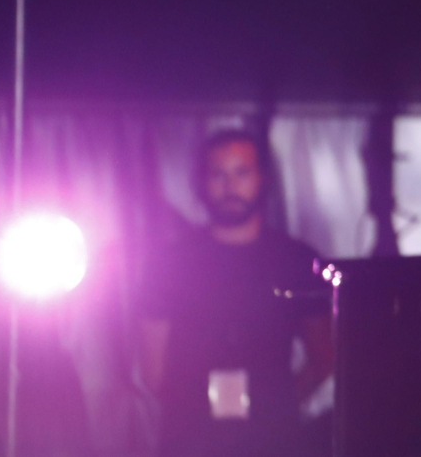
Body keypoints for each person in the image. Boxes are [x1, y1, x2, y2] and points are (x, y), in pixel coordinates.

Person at [137, 129, 334, 457]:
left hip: (272, 438)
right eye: (218, 174)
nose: (230, 187)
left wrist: (275, 403)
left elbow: (323, 355)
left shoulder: (297, 261)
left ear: (263, 179)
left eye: (241, 172)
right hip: (191, 439)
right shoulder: (170, 263)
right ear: (202, 183)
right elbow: (153, 372)